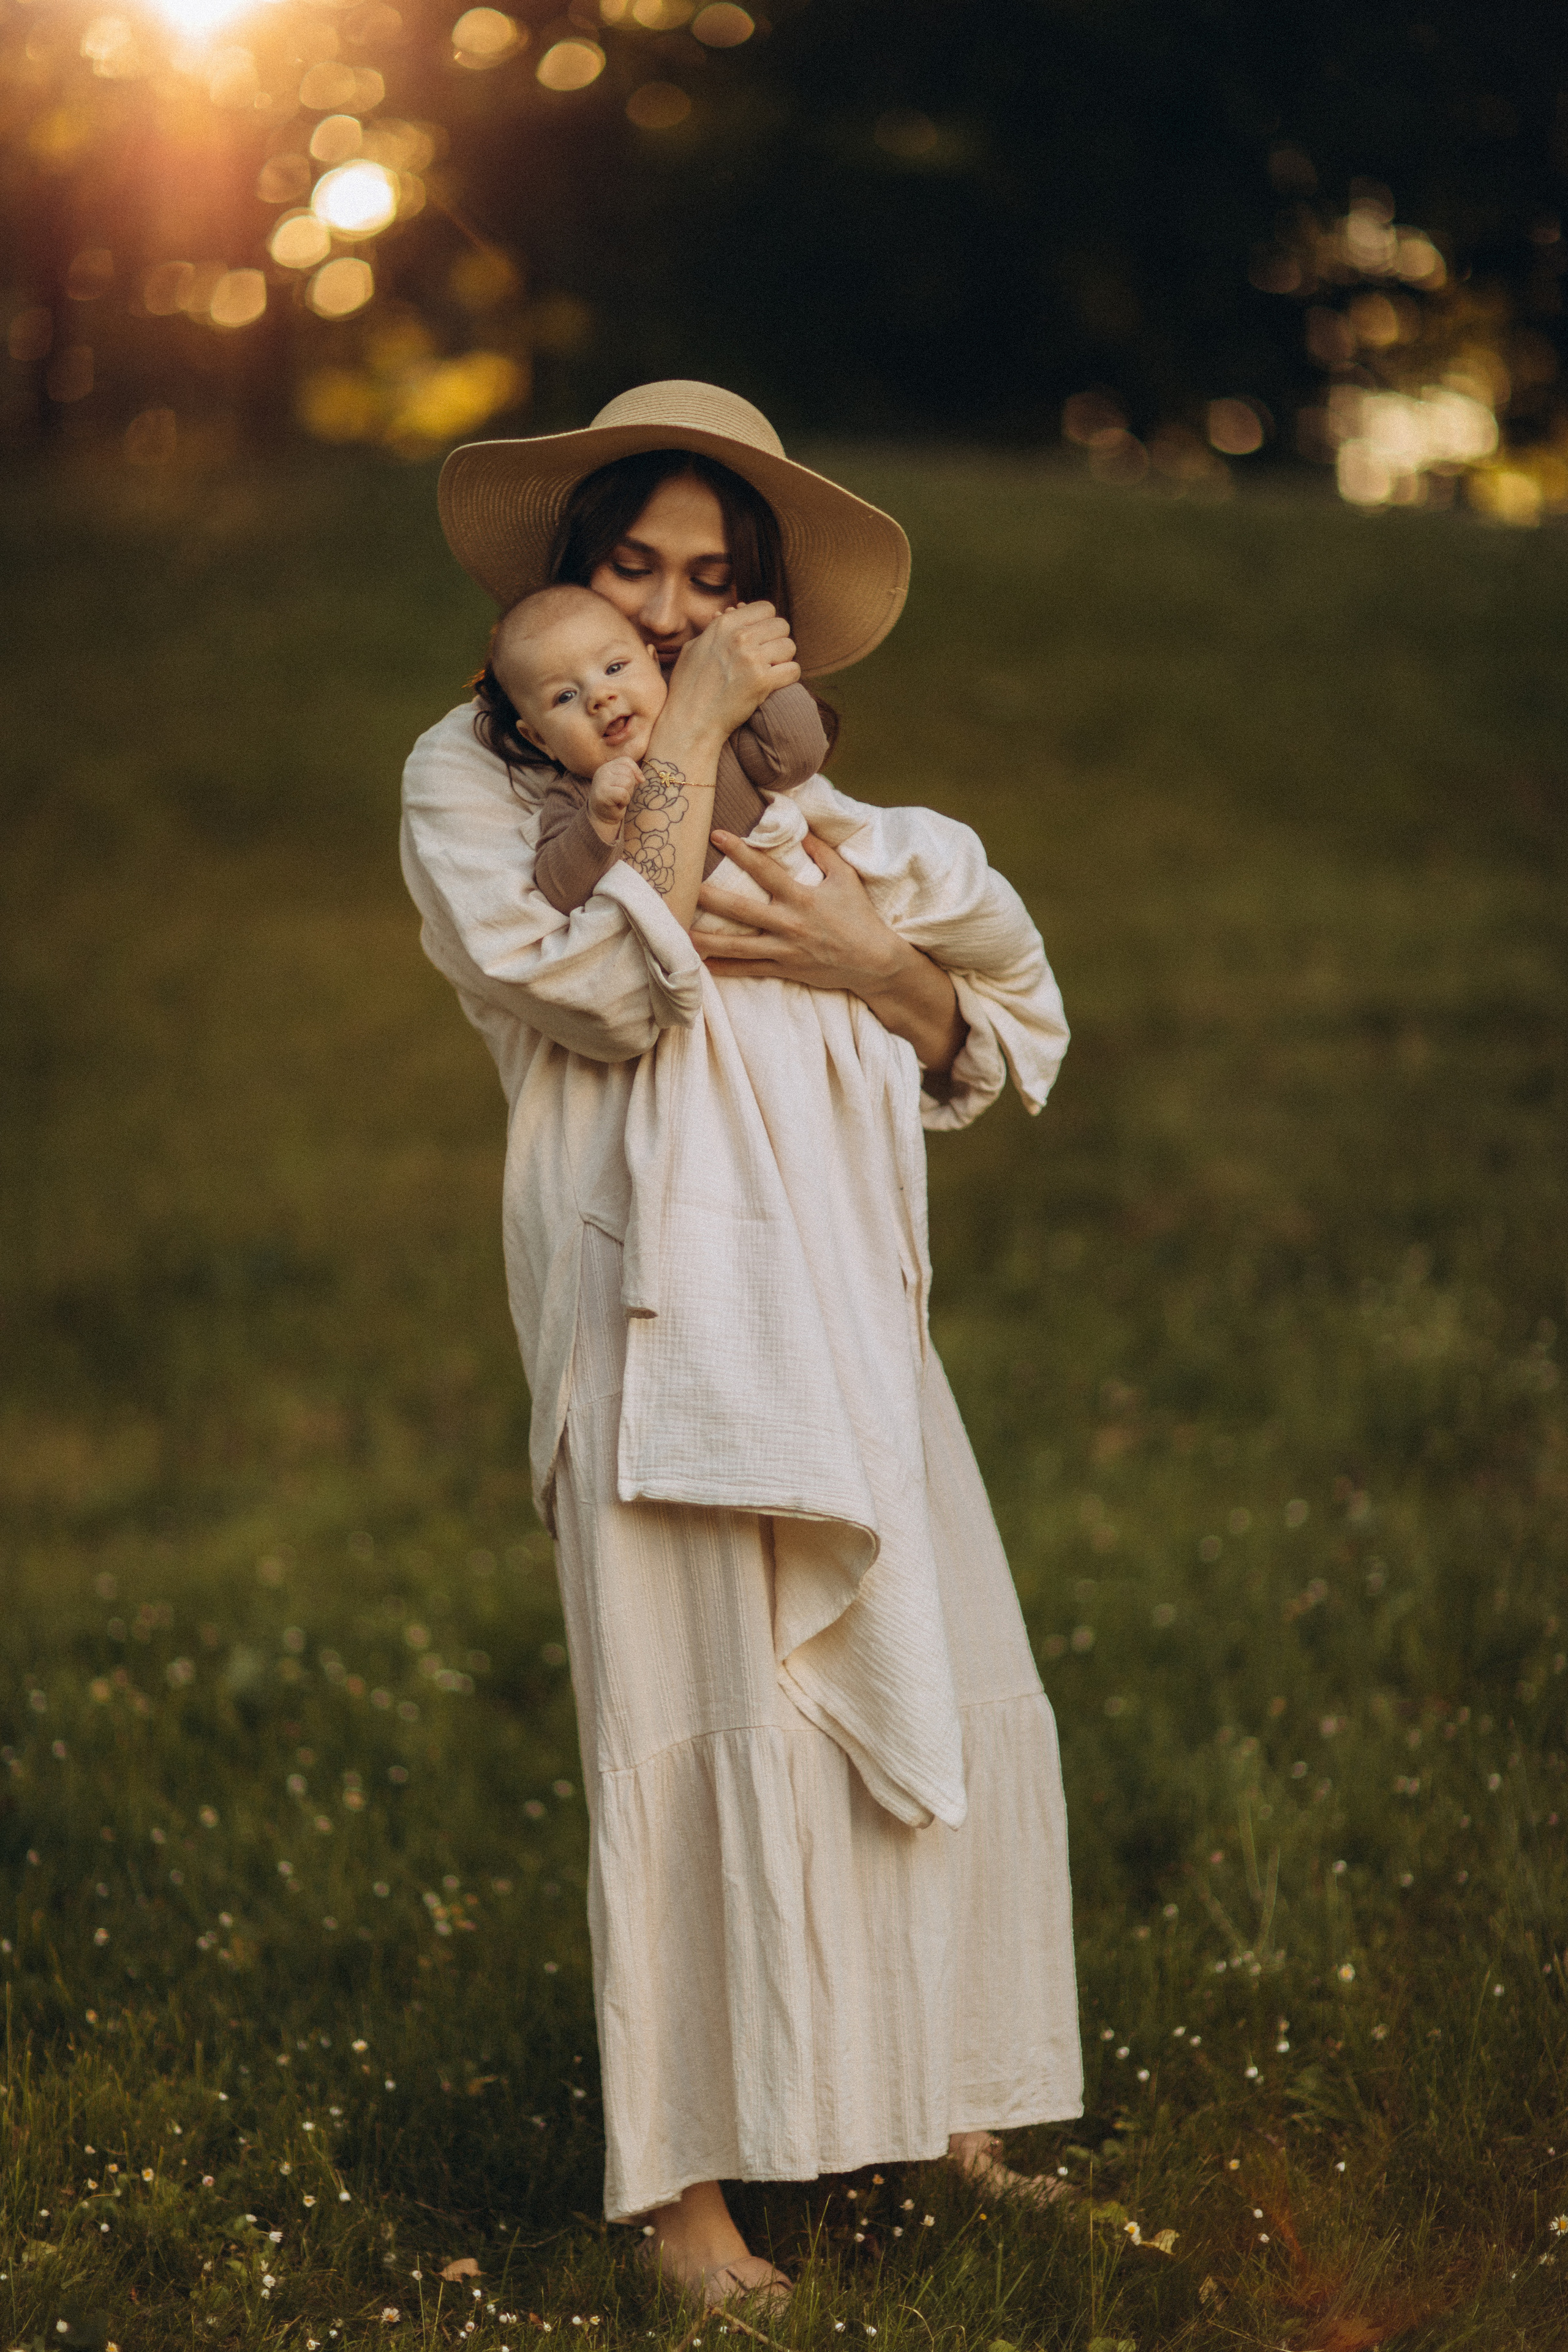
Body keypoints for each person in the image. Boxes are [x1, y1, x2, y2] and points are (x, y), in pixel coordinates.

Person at [401, 381, 1083, 2308]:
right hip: (653, 1310)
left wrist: (882, 969)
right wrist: (681, 735)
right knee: (694, 1698)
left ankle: (945, 2101)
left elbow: (994, 1025)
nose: (676, 612)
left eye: (713, 580)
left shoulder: (823, 807)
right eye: (636, 568)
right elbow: (609, 995)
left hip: (847, 1294)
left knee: (922, 1668)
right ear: (570, 575)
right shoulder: (475, 786)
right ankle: (685, 2199)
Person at [470, 579, 829, 914]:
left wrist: (762, 674)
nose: (599, 696)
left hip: (801, 898)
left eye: (614, 668)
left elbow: (797, 759)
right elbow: (560, 893)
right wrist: (599, 820)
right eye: (565, 696)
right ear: (540, 739)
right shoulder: (579, 797)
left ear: (654, 664)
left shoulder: (719, 728)